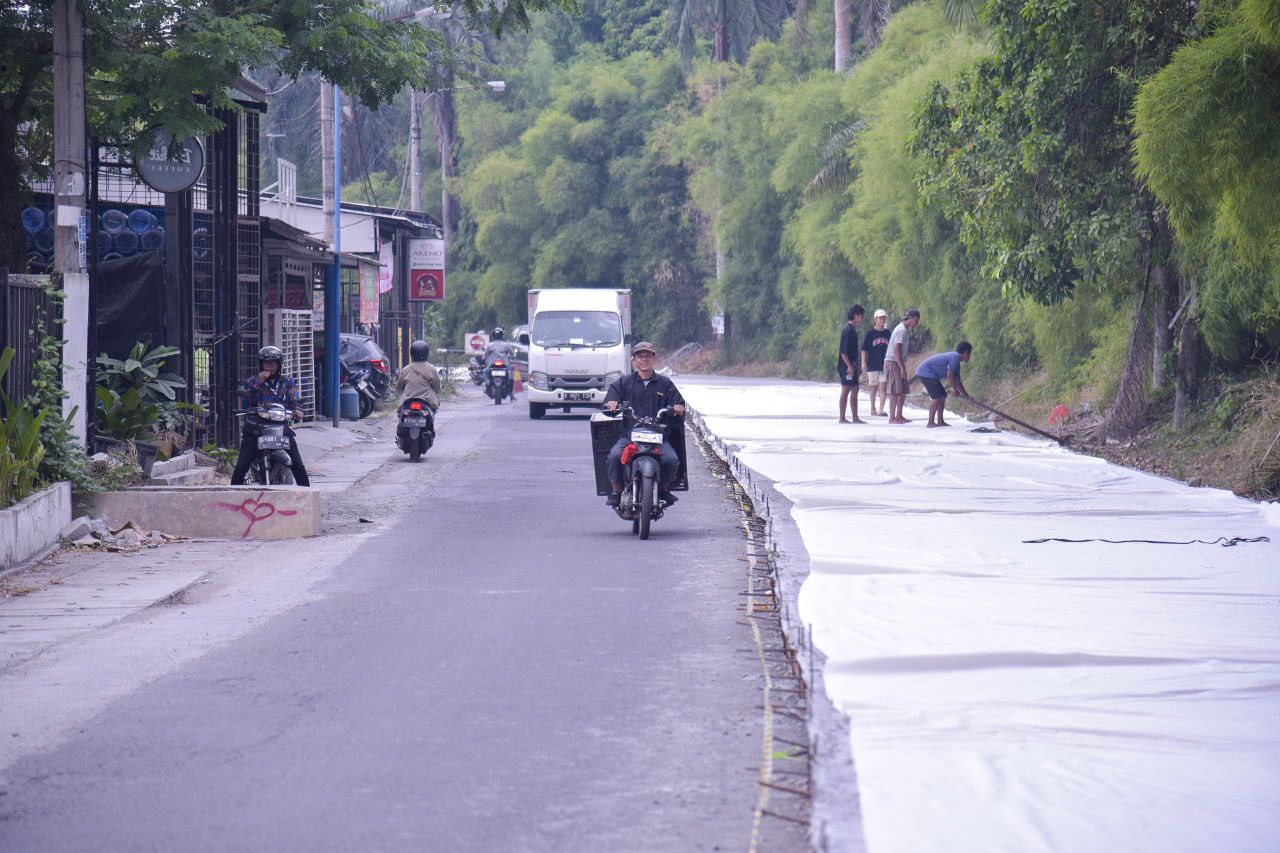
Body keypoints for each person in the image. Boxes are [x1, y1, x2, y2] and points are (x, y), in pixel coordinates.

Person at [603, 341, 686, 508]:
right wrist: (611, 405)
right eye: (640, 356)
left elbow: (680, 406)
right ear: (634, 360)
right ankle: (616, 491)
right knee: (613, 457)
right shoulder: (623, 383)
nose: (644, 359)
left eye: (647, 356)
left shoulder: (665, 384)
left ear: (653, 358)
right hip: (630, 436)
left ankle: (662, 489)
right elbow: (608, 404)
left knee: (672, 460)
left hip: (658, 436)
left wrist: (678, 409)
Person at [231, 345, 310, 486]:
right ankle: (233, 499)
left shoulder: (288, 381)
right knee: (242, 466)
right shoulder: (254, 380)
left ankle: (307, 497)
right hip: (256, 428)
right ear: (261, 364)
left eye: (273, 363)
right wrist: (259, 381)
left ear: (279, 364)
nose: (269, 366)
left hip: (280, 428)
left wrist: (297, 410)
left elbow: (295, 401)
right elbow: (246, 395)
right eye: (266, 363)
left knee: (298, 466)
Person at [914, 342, 973, 428]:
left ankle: (940, 421)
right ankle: (930, 422)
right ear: (966, 353)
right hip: (925, 373)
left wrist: (966, 396)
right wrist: (955, 390)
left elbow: (958, 381)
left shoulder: (956, 362)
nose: (970, 357)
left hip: (930, 374)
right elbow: (949, 375)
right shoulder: (955, 358)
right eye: (969, 354)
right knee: (937, 397)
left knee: (943, 395)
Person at [885, 309, 920, 425]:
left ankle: (899, 416)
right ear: (909, 318)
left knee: (903, 391)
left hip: (898, 363)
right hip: (893, 362)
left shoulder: (904, 330)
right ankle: (892, 418)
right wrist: (902, 368)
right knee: (895, 392)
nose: (916, 323)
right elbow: (896, 350)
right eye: (915, 320)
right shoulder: (901, 331)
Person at [396, 339, 442, 412]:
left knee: (400, 414)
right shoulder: (432, 369)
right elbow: (437, 387)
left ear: (412, 353)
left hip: (407, 401)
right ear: (426, 353)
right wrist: (437, 390)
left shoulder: (406, 369)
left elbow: (399, 387)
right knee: (434, 411)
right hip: (428, 401)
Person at [837, 305, 865, 424]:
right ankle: (842, 418)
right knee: (846, 389)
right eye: (861, 316)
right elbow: (843, 352)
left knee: (855, 388)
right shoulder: (848, 330)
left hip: (852, 365)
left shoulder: (852, 330)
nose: (862, 318)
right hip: (846, 366)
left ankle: (855, 417)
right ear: (855, 316)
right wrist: (849, 366)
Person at [861, 309, 891, 416]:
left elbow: (891, 348)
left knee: (883, 387)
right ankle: (872, 408)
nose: (882, 320)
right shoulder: (870, 334)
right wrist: (863, 363)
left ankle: (881, 409)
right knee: (873, 387)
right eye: (880, 318)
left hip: (884, 364)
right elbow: (864, 349)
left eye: (884, 318)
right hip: (872, 364)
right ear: (875, 319)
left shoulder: (888, 333)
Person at [482, 326, 517, 401]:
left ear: (494, 335)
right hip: (505, 365)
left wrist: (484, 359)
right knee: (510, 379)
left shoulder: (490, 345)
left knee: (484, 372)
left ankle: (488, 383)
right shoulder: (506, 345)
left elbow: (484, 356)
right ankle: (512, 397)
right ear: (502, 335)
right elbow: (513, 355)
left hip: (492, 365)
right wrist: (513, 358)